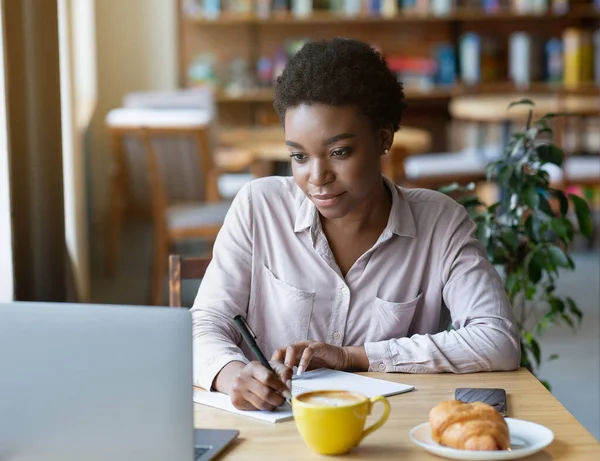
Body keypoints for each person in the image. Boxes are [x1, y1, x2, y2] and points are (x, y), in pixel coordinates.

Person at [190, 38, 520, 411]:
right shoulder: (259, 208)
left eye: (339, 152)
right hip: (275, 432)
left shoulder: (441, 223)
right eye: (298, 156)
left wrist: (353, 356)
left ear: (383, 138)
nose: (317, 177)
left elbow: (497, 339)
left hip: (387, 434)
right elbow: (204, 324)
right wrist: (232, 374)